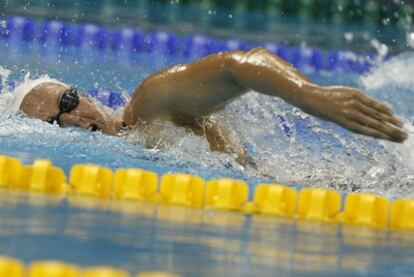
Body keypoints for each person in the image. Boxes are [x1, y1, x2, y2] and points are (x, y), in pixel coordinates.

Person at [10, 48, 408, 164]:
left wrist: (307, 93)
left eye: (68, 101)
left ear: (85, 94)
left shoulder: (150, 105)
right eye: (56, 124)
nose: (76, 120)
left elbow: (237, 66)